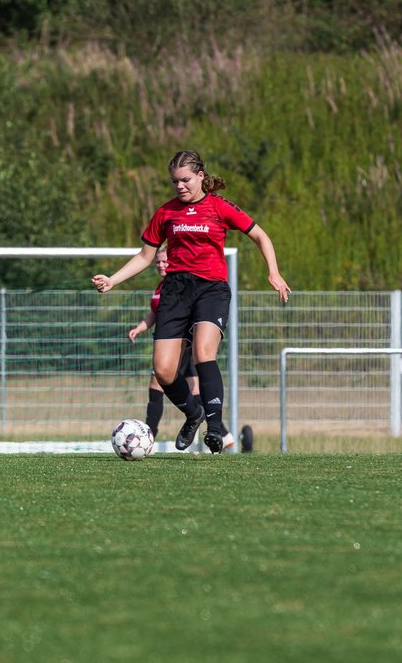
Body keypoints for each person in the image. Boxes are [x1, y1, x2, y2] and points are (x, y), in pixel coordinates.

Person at [94, 150, 290, 453]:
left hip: (210, 289)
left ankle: (214, 428)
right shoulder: (166, 212)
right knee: (163, 370)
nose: (180, 186)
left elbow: (261, 236)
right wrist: (113, 280)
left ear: (201, 176)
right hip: (175, 291)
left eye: (185, 180)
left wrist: (273, 272)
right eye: (175, 181)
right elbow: (146, 256)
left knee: (202, 352)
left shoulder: (219, 207)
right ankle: (194, 413)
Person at [126, 244, 204, 444]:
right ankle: (223, 435)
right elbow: (155, 313)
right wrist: (140, 327)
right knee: (193, 392)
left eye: (164, 261)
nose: (160, 265)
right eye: (157, 262)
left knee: (158, 383)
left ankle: (148, 437)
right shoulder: (163, 286)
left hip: (180, 342)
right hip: (171, 341)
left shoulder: (182, 285)